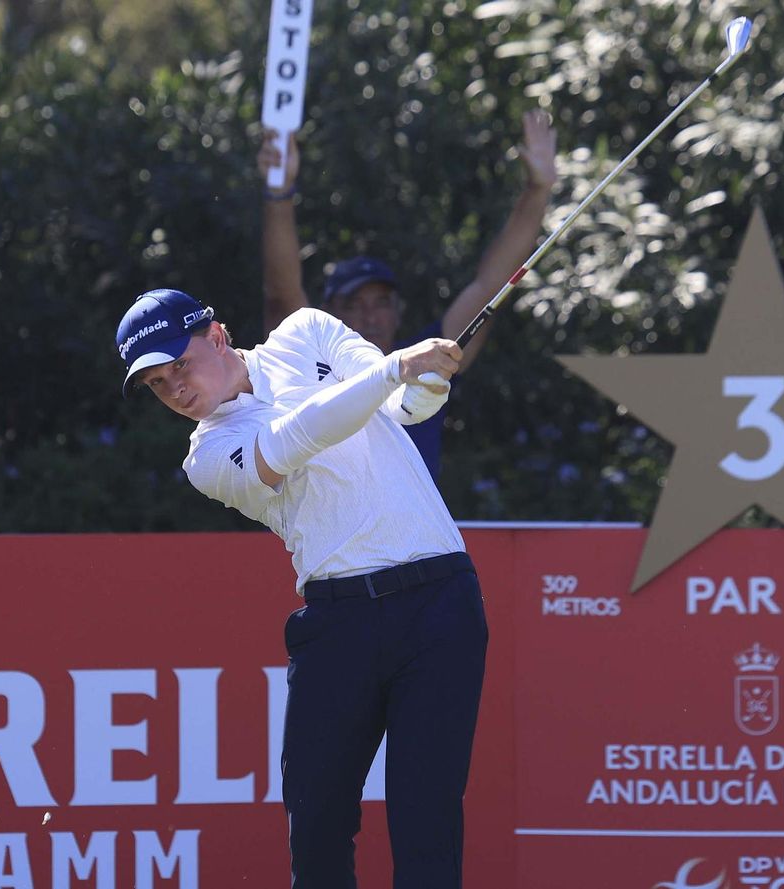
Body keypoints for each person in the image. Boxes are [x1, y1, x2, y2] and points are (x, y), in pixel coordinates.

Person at [116, 288, 488, 888]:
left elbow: (401, 405)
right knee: (317, 826)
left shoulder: (307, 332)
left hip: (439, 602)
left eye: (179, 365)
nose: (175, 390)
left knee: (426, 819)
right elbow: (298, 437)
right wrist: (399, 368)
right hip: (340, 623)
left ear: (217, 336)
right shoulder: (208, 456)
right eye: (158, 384)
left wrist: (428, 383)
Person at [257, 110, 558, 480]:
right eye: (353, 304)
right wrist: (278, 194)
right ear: (327, 315)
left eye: (381, 303)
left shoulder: (427, 365)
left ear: (398, 312)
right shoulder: (306, 367)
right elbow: (282, 296)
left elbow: (489, 286)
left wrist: (538, 190)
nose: (370, 317)